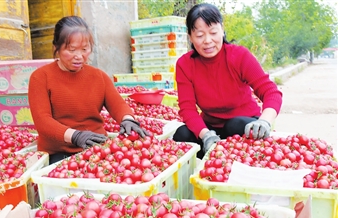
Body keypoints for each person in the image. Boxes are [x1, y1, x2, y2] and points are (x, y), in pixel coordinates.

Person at [28, 16, 148, 164]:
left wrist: (128, 120)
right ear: (56, 48)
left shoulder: (99, 77)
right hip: (59, 150)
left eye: (85, 49)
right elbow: (42, 121)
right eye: (71, 50)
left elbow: (117, 105)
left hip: (96, 146)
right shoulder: (40, 77)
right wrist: (75, 136)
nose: (79, 56)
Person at [173, 3, 283, 159]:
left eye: (213, 32)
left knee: (234, 125)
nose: (207, 40)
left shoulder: (239, 56)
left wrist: (265, 121)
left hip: (243, 125)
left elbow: (270, 91)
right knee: (182, 134)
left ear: (222, 30)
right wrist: (205, 135)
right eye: (199, 35)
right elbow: (187, 108)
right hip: (210, 130)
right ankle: (207, 172)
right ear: (190, 36)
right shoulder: (185, 65)